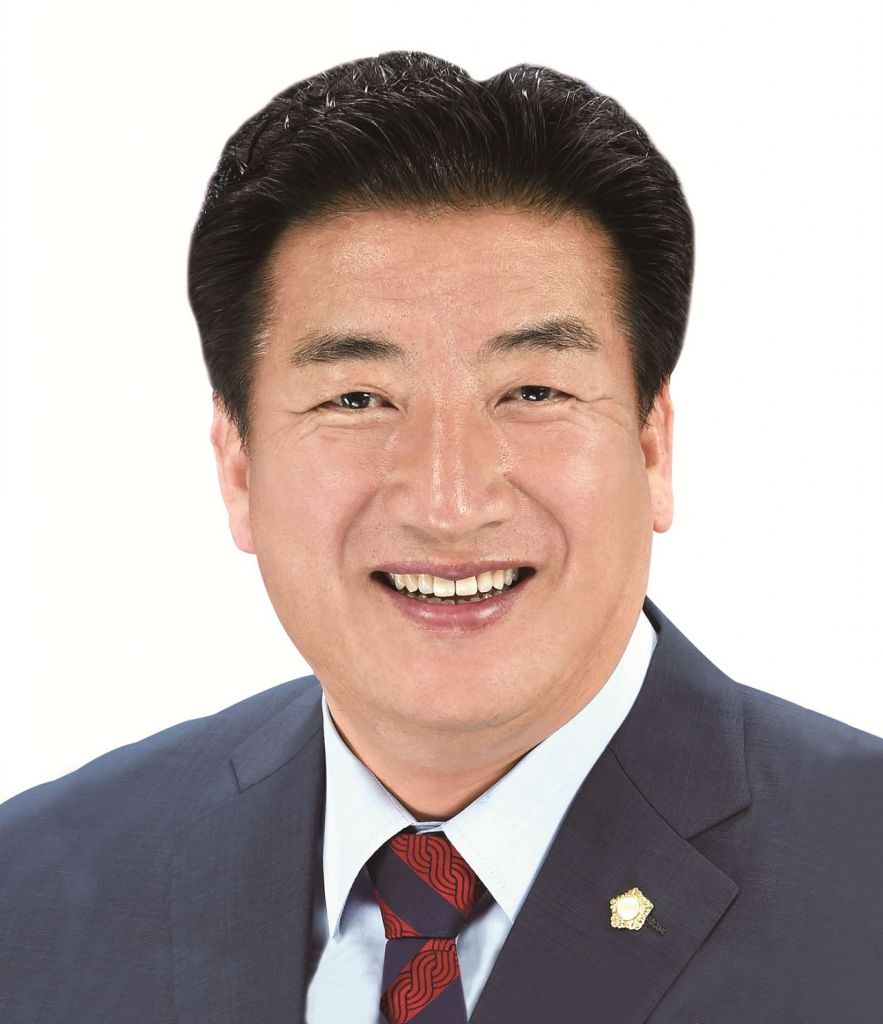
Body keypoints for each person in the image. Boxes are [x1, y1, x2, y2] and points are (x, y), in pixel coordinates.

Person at [1, 49, 881, 1024]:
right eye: (356, 398)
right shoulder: (36, 890)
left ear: (651, 444)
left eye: (533, 391)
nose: (449, 502)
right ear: (238, 466)